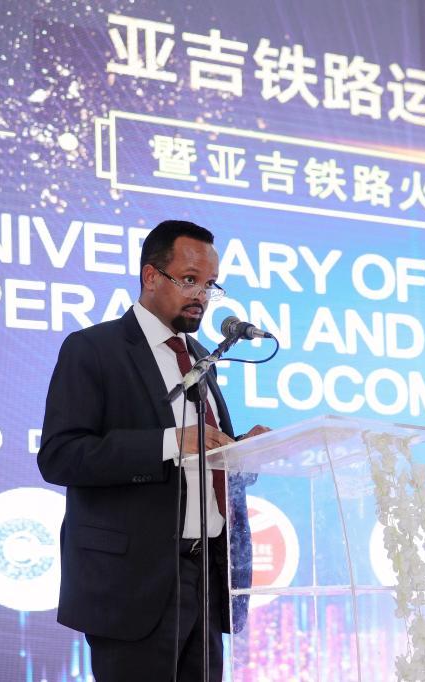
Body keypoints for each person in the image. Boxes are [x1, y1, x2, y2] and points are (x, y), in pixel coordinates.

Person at [38, 220, 267, 681]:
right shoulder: (94, 349)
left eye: (210, 284)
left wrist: (241, 452)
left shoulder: (201, 357)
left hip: (206, 576)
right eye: (189, 279)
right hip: (134, 584)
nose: (201, 295)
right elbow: (60, 455)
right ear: (150, 277)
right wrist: (170, 442)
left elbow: (201, 460)